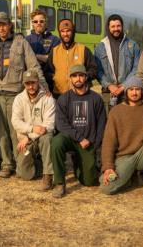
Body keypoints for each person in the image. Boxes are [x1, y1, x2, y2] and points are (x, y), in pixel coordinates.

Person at [0, 11, 47, 178]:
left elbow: (34, 66)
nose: (1, 28)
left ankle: (21, 163)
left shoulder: (21, 43)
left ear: (10, 25)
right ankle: (7, 164)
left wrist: (43, 86)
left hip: (16, 95)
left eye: (4, 24)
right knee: (1, 132)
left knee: (18, 132)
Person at [99, 77, 143, 202]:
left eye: (137, 89)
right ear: (126, 92)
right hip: (124, 157)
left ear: (142, 91)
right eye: (131, 89)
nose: (134, 93)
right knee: (106, 188)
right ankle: (129, 177)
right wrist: (108, 166)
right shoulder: (116, 111)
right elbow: (109, 141)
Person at [50, 65, 106, 198]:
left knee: (89, 181)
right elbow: (61, 124)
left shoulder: (96, 98)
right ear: (70, 79)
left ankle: (78, 162)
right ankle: (59, 183)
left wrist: (95, 146)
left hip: (89, 142)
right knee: (56, 142)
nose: (78, 78)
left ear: (86, 77)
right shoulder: (64, 98)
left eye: (81, 75)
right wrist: (79, 138)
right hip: (71, 139)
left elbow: (102, 124)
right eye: (74, 76)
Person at [11, 70, 56, 190]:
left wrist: (29, 136)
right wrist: (31, 130)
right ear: (24, 84)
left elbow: (49, 125)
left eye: (33, 83)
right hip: (25, 139)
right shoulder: (19, 99)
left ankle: (48, 175)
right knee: (24, 174)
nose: (30, 86)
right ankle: (39, 164)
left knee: (48, 138)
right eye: (27, 84)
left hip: (40, 137)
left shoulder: (48, 98)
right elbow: (15, 122)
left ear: (38, 82)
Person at [94, 14, 140, 109]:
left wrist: (124, 86)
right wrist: (109, 85)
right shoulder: (100, 47)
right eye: (113, 26)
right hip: (108, 93)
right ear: (108, 28)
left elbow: (136, 68)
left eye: (118, 26)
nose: (116, 29)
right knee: (110, 121)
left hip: (128, 92)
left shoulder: (133, 45)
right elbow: (98, 70)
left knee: (127, 121)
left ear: (122, 26)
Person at [45, 19, 96, 98]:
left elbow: (93, 69)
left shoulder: (83, 50)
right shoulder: (54, 51)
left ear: (73, 32)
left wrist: (83, 78)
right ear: (59, 33)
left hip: (80, 94)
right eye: (62, 31)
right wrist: (55, 78)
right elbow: (47, 71)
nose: (65, 34)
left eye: (68, 31)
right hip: (59, 95)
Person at [25, 9, 60, 74]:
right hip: (31, 79)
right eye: (35, 21)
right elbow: (24, 59)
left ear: (46, 22)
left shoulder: (55, 40)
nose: (39, 23)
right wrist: (44, 57)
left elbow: (55, 59)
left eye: (41, 21)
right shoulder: (26, 40)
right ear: (32, 23)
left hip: (49, 78)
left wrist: (34, 56)